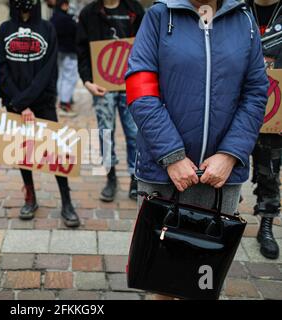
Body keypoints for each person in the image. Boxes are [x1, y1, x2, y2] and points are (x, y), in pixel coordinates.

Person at [126, 0, 269, 299]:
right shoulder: (159, 16)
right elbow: (141, 88)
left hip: (219, 176)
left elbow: (256, 92)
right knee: (161, 278)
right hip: (164, 171)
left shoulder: (244, 21)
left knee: (202, 281)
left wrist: (230, 154)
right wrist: (173, 156)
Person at [0, 0, 81, 227]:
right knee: (23, 151)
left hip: (42, 102)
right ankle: (30, 197)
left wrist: (28, 101)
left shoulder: (47, 28)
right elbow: (1, 69)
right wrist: (19, 105)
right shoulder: (5, 29)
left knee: (56, 151)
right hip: (15, 102)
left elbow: (48, 70)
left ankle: (66, 200)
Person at [76, 0, 144, 202]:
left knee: (134, 133)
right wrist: (87, 81)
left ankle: (135, 177)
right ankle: (110, 176)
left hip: (130, 83)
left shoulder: (134, 9)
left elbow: (146, 46)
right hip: (102, 86)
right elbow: (81, 50)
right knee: (105, 133)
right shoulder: (89, 13)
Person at [248, 0, 281, 260]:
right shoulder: (235, 8)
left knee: (269, 170)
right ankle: (221, 219)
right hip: (235, 105)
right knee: (222, 166)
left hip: (274, 107)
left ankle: (266, 225)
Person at [51, 0, 79, 117]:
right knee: (69, 77)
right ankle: (64, 103)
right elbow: (76, 32)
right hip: (69, 51)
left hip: (57, 51)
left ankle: (62, 101)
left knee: (61, 77)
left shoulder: (53, 18)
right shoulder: (68, 19)